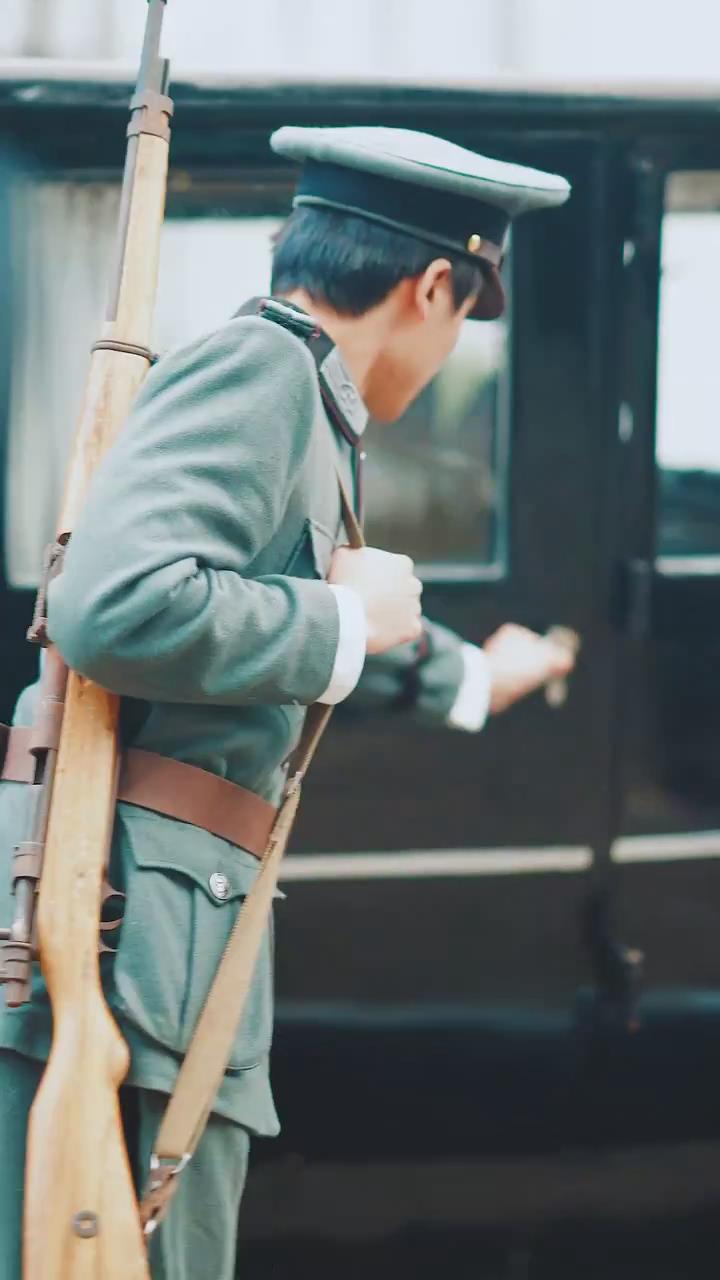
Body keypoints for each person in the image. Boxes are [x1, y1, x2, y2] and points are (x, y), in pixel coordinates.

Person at [0, 125, 573, 1279]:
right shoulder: (267, 373)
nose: (449, 349)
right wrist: (342, 618)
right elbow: (117, 603)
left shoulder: (303, 396)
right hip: (128, 938)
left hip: (145, 934)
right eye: (463, 315)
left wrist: (462, 671)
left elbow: (269, 610)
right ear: (432, 286)